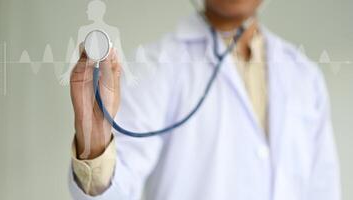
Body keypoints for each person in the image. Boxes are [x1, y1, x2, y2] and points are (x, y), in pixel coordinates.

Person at [68, 0, 341, 199]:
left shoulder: (304, 75)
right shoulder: (155, 66)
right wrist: (96, 149)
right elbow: (115, 189)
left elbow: (323, 188)